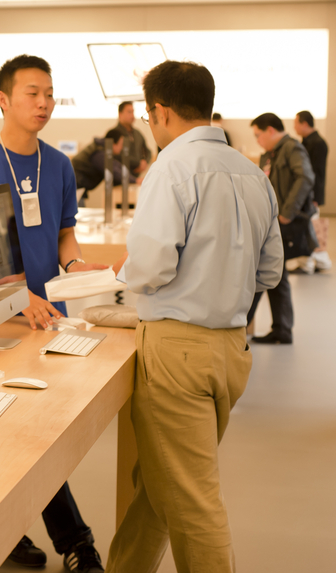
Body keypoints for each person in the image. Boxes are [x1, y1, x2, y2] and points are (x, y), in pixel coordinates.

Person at [106, 61, 282, 572]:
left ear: (159, 111)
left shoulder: (170, 169)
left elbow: (154, 265)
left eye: (147, 114)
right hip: (230, 351)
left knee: (192, 502)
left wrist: (125, 274)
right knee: (162, 484)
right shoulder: (253, 173)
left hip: (177, 354)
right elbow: (269, 272)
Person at [0, 54, 108, 573]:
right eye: (33, 93)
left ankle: (14, 536)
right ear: (4, 99)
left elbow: (62, 231)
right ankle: (75, 543)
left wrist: (76, 264)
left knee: (35, 433)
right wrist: (9, 290)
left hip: (47, 317)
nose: (44, 103)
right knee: (15, 431)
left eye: (50, 94)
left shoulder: (57, 164)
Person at [247, 112, 315, 344]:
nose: (258, 140)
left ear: (270, 130)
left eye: (258, 135)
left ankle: (242, 325)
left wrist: (287, 212)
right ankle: (281, 329)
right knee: (276, 274)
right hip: (272, 221)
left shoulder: (291, 149)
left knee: (263, 270)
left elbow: (305, 177)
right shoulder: (271, 153)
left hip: (283, 222)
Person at [294, 110, 331, 271]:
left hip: (311, 195)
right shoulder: (308, 142)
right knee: (307, 228)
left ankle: (322, 263)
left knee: (313, 229)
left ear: (304, 123)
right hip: (308, 194)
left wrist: (315, 196)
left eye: (296, 123)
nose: (294, 127)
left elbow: (317, 173)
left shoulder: (317, 143)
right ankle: (307, 263)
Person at [71, 128, 126, 205]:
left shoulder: (101, 149)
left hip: (76, 187)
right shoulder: (99, 153)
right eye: (121, 144)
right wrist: (135, 180)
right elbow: (113, 170)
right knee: (77, 211)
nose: (122, 148)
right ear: (113, 143)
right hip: (74, 189)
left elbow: (115, 165)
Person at [109, 101, 151, 177]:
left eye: (133, 112)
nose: (132, 115)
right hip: (118, 177)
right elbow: (114, 156)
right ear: (120, 114)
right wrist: (138, 163)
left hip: (136, 177)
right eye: (129, 112)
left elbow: (148, 151)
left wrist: (144, 163)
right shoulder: (113, 133)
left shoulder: (137, 133)